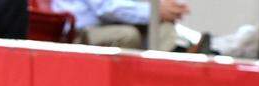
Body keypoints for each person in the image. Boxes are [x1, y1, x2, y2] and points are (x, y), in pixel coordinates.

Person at [49, 0, 187, 51]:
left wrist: (171, 8)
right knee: (127, 35)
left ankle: (154, 79)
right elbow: (106, 8)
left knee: (164, 28)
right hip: (77, 33)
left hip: (115, 24)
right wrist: (155, 11)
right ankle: (126, 85)